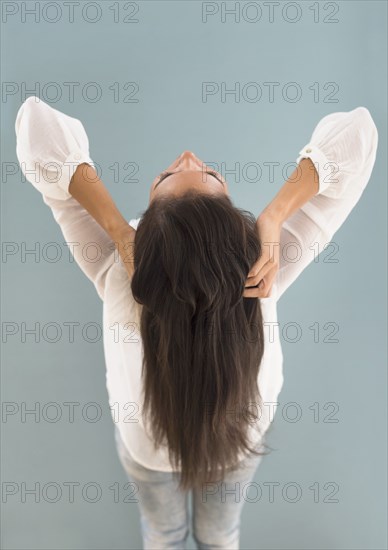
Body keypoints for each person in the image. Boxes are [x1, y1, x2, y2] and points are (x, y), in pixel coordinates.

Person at [15, 97, 378, 549]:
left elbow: (36, 126)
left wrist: (117, 230)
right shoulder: (260, 269)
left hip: (147, 447)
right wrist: (276, 214)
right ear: (229, 225)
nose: (187, 155)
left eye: (168, 176)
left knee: (164, 537)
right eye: (206, 175)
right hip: (237, 443)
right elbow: (359, 135)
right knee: (220, 537)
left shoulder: (116, 268)